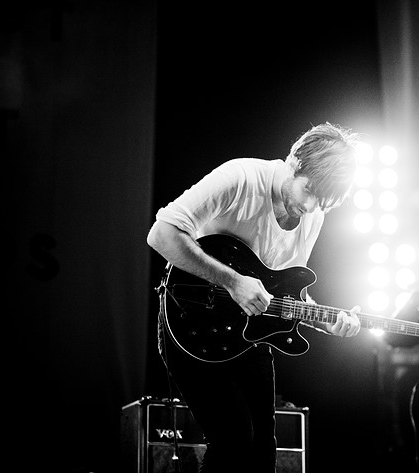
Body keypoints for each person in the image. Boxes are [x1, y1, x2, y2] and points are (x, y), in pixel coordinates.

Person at [146, 122, 363, 472]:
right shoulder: (240, 178)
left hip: (249, 337)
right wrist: (232, 281)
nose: (311, 206)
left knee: (263, 451)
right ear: (294, 161)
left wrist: (328, 324)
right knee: (232, 440)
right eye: (309, 191)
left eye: (323, 201)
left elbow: (283, 293)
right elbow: (161, 235)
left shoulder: (313, 214)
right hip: (190, 321)